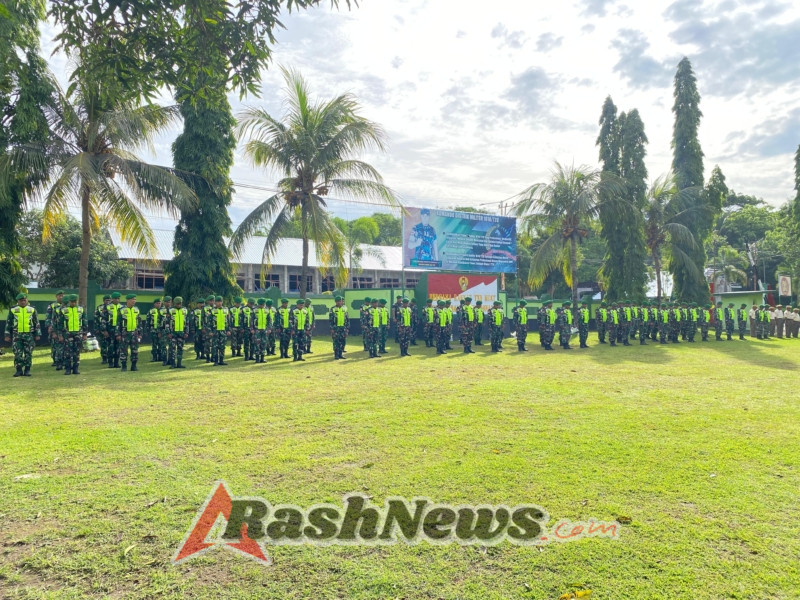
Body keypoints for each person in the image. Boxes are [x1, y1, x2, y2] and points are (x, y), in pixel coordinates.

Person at [5, 293, 40, 377]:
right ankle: (19, 370)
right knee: (17, 353)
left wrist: (37, 334)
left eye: (24, 300)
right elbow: (8, 323)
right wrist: (7, 334)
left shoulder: (32, 310)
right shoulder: (13, 310)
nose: (23, 302)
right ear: (18, 301)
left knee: (28, 352)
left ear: (27, 300)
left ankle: (27, 370)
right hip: (17, 335)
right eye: (21, 300)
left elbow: (36, 322)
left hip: (29, 334)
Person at [58, 294, 87, 375]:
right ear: (69, 302)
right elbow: (59, 324)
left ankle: (75, 368)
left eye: (75, 302)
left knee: (76, 352)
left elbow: (84, 322)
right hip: (68, 334)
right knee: (67, 352)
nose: (73, 303)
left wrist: (85, 334)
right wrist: (60, 335)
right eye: (72, 302)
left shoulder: (81, 310)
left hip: (78, 333)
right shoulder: (64, 310)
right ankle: (67, 369)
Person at [117, 293, 142, 372]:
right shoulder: (121, 310)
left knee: (135, 350)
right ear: (127, 300)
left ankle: (133, 366)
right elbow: (118, 323)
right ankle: (124, 366)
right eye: (132, 299)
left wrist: (140, 334)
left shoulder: (136, 309)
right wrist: (117, 334)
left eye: (135, 299)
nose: (134, 301)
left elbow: (139, 322)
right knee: (123, 350)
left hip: (134, 333)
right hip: (124, 333)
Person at [167, 296, 189, 368]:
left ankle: (179, 363)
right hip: (173, 333)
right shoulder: (170, 310)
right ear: (174, 303)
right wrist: (168, 333)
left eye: (180, 303)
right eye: (177, 303)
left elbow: (187, 322)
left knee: (180, 348)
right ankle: (173, 364)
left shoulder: (185, 310)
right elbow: (166, 323)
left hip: (181, 333)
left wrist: (186, 332)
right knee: (172, 348)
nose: (178, 305)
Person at [102, 291, 123, 368]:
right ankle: (110, 362)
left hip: (119, 330)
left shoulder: (122, 307)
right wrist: (104, 330)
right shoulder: (107, 307)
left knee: (118, 347)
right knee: (110, 346)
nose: (117, 300)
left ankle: (116, 362)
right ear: (112, 299)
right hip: (110, 329)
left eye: (118, 298)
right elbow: (103, 319)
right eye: (116, 298)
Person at [45, 290, 65, 369]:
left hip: (63, 328)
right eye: (60, 295)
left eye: (62, 295)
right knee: (54, 345)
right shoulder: (52, 305)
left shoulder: (66, 305)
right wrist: (49, 326)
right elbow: (48, 316)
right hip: (54, 327)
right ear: (56, 296)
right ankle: (55, 360)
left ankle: (62, 359)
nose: (61, 297)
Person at [208, 295, 230, 365]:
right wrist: (210, 331)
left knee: (222, 346)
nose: (219, 303)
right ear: (215, 302)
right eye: (218, 302)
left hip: (223, 331)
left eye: (220, 302)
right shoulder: (212, 311)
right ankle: (216, 361)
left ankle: (221, 360)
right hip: (215, 331)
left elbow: (228, 321)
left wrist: (228, 330)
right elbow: (208, 322)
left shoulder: (226, 310)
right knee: (215, 347)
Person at [329, 296, 349, 360]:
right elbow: (330, 320)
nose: (340, 302)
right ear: (336, 302)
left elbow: (347, 319)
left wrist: (347, 328)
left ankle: (341, 354)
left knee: (342, 341)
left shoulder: (345, 308)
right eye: (339, 301)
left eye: (341, 301)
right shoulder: (333, 309)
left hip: (343, 327)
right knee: (336, 341)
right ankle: (336, 355)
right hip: (336, 328)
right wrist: (332, 329)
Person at [251, 298, 270, 363]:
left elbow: (269, 320)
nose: (262, 305)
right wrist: (252, 329)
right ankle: (257, 358)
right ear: (258, 304)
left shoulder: (267, 310)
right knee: (257, 344)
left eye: (263, 304)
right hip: (257, 330)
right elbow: (251, 320)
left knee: (264, 343)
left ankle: (262, 358)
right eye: (261, 304)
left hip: (264, 329)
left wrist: (269, 328)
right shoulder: (254, 310)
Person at [94, 294, 111, 364]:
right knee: (103, 344)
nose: (108, 302)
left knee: (111, 344)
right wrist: (97, 328)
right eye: (107, 300)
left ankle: (111, 358)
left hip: (110, 329)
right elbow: (96, 319)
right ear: (104, 301)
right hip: (101, 329)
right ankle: (104, 358)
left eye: (109, 300)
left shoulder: (112, 308)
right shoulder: (99, 308)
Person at [146, 298, 164, 362]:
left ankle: (160, 357)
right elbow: (147, 321)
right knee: (154, 345)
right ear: (154, 304)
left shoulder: (163, 311)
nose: (158, 304)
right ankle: (154, 357)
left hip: (161, 331)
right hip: (153, 330)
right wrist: (147, 330)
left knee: (161, 344)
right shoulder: (151, 311)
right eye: (157, 303)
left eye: (159, 303)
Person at [160, 296, 173, 366]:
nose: (168, 303)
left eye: (169, 302)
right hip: (163, 331)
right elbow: (159, 321)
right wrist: (159, 331)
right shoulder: (161, 310)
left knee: (171, 346)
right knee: (163, 346)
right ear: (164, 302)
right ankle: (164, 360)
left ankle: (170, 360)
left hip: (171, 331)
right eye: (167, 302)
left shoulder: (173, 310)